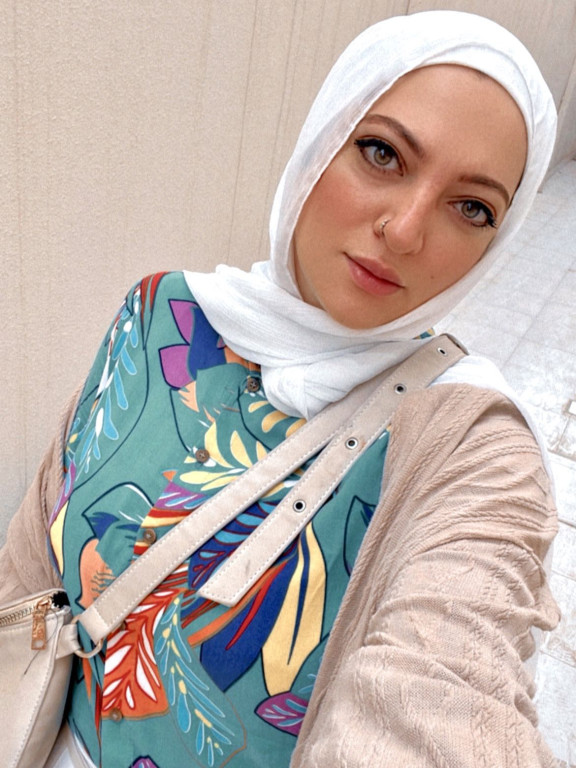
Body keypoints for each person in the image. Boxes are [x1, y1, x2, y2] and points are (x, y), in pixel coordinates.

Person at [0, 10, 560, 768]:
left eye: (472, 208)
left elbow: (451, 688)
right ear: (321, 141)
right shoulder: (162, 314)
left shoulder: (470, 449)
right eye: (382, 153)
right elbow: (33, 553)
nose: (405, 230)